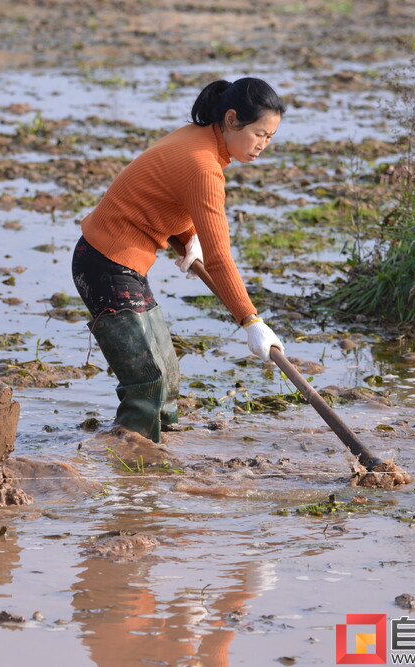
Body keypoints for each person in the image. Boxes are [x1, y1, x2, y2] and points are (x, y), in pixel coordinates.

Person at [72, 77, 287, 443]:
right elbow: (219, 257)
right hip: (105, 265)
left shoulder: (199, 138)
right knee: (147, 382)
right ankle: (131, 470)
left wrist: (188, 239)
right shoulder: (203, 165)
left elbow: (160, 197)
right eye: (259, 134)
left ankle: (161, 456)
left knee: (167, 377)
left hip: (123, 264)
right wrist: (250, 320)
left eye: (270, 138)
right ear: (232, 119)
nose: (263, 146)